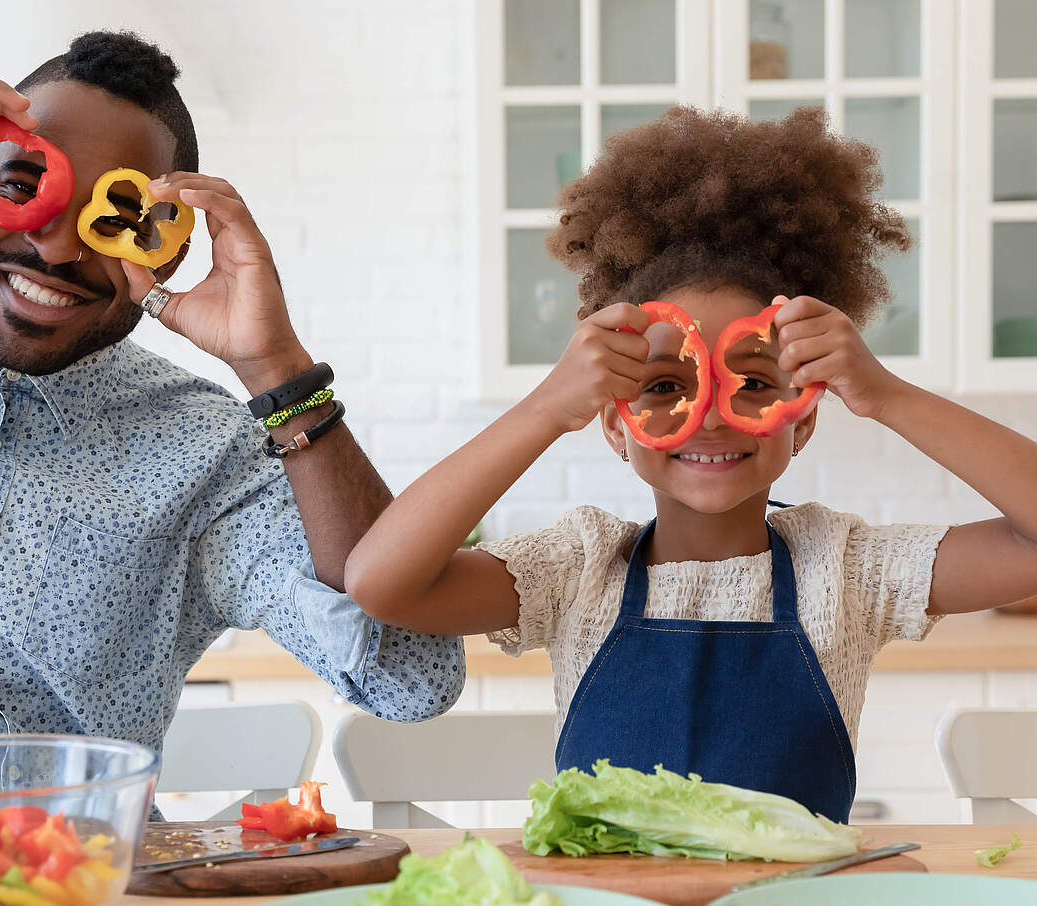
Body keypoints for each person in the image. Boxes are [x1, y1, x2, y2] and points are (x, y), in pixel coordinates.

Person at [345, 107, 1037, 822]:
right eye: (668, 386)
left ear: (801, 420)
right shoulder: (576, 569)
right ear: (616, 424)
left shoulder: (848, 571)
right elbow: (381, 583)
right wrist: (545, 408)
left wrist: (886, 394)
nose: (708, 413)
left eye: (754, 384)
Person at [0, 32, 463, 752]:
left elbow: (411, 677)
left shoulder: (206, 454)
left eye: (117, 219)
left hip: (77, 864)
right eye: (26, 185)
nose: (60, 248)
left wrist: (276, 367)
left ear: (169, 249)